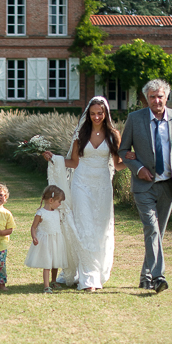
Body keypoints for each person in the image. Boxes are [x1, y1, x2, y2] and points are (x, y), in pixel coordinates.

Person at [42, 96, 127, 291]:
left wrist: (134, 159)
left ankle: (95, 272)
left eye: (100, 113)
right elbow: (73, 162)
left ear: (106, 114)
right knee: (84, 227)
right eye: (93, 113)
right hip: (81, 185)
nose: (96, 117)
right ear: (88, 115)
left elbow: (117, 165)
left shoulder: (113, 134)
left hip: (103, 187)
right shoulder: (81, 134)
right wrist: (54, 158)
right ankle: (89, 278)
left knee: (100, 230)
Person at [119, 79, 172, 293]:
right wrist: (138, 168)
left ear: (167, 97)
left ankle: (145, 276)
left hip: (169, 185)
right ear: (146, 98)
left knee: (157, 233)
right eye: (152, 97)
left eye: (160, 96)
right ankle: (159, 277)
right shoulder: (135, 119)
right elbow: (123, 151)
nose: (156, 100)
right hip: (144, 186)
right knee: (151, 228)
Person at [24, 185, 68, 293]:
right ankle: (46, 285)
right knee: (47, 263)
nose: (60, 204)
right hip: (46, 241)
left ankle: (54, 280)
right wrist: (34, 237)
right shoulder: (41, 213)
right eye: (59, 201)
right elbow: (33, 227)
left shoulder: (57, 212)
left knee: (55, 261)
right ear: (51, 200)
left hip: (56, 240)